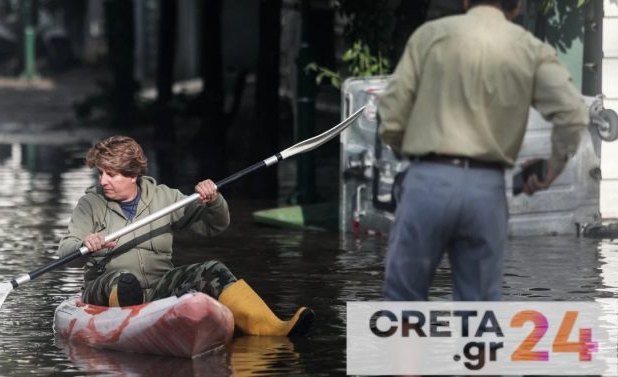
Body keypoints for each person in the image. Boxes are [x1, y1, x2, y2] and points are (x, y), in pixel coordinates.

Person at [377, 0, 589, 301]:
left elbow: (391, 114)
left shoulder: (430, 35)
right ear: (515, 8)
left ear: (466, 1)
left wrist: (411, 154)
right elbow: (573, 112)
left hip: (428, 179)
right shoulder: (531, 49)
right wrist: (552, 168)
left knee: (404, 305)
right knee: (479, 314)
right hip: (486, 187)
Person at [57, 135, 314, 336]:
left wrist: (213, 201)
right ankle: (130, 331)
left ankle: (270, 328)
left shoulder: (165, 198)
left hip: (158, 288)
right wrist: (86, 244)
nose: (103, 181)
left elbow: (214, 226)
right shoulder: (90, 203)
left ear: (133, 175)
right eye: (100, 173)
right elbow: (65, 250)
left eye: (110, 174)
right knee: (123, 281)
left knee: (213, 269)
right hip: (105, 287)